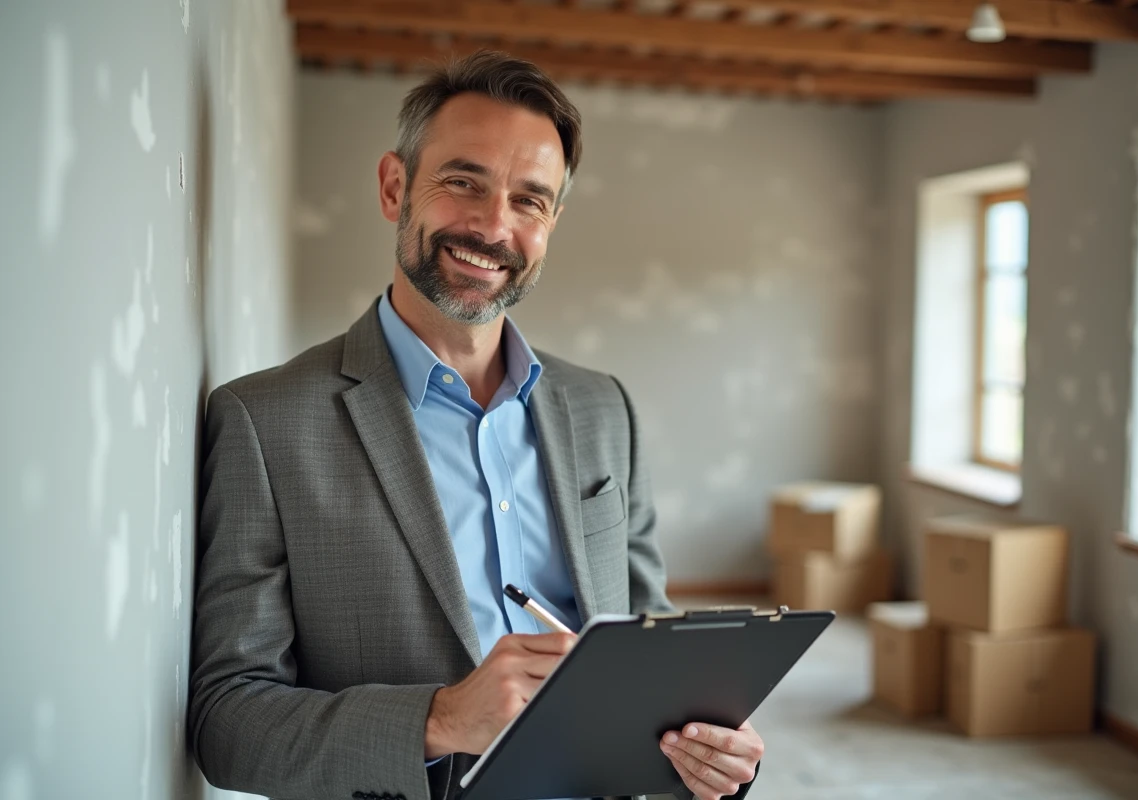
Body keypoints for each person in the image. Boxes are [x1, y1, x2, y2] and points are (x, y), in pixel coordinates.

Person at [188, 50, 763, 800]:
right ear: (395, 188)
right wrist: (440, 718)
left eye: (529, 201)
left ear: (552, 222)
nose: (494, 226)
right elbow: (228, 726)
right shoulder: (264, 423)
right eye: (464, 182)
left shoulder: (604, 408)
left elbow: (647, 636)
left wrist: (710, 745)